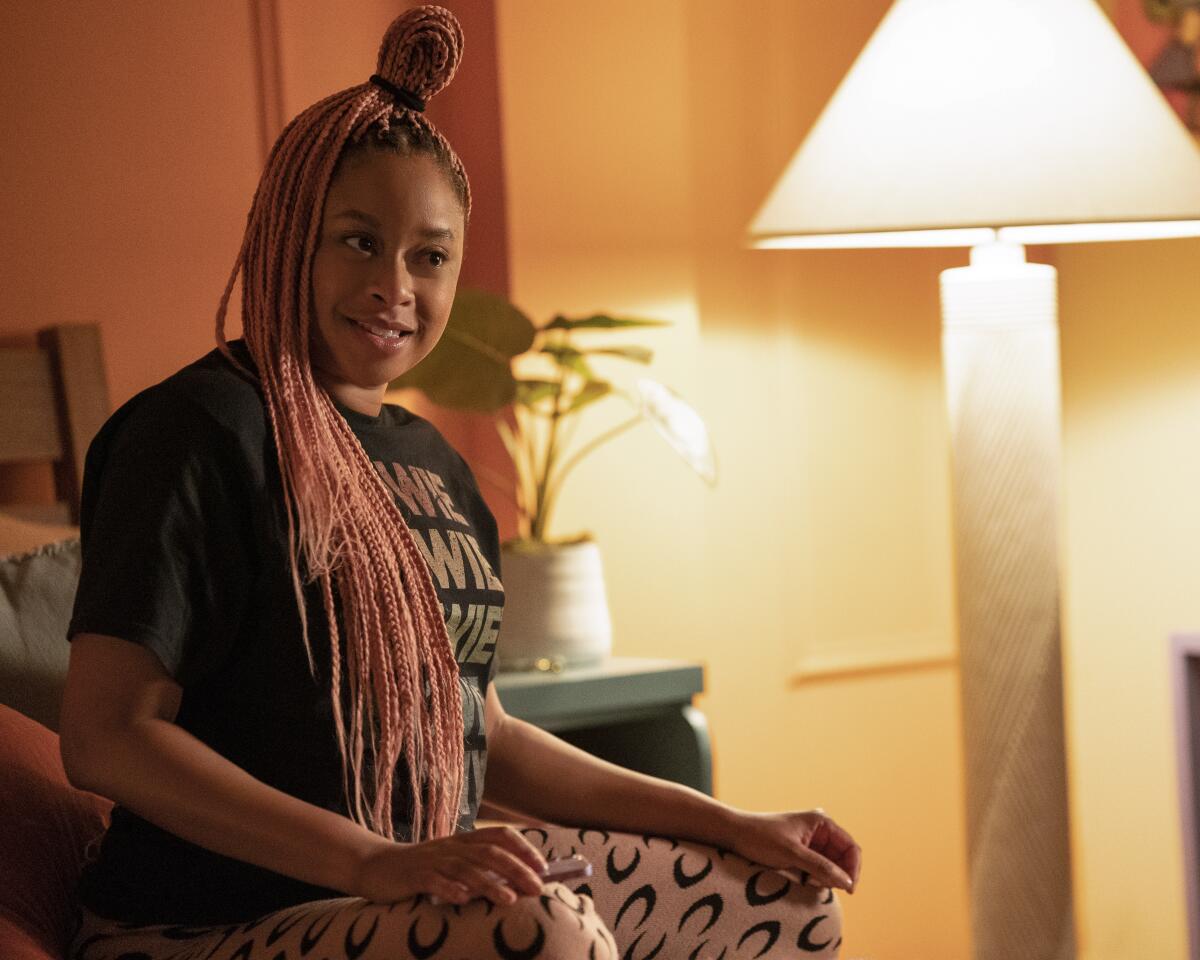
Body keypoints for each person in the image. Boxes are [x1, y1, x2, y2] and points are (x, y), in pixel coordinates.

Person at [59, 7, 861, 959]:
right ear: (284, 236)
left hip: (399, 894)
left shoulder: (431, 464)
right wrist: (368, 861)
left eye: (429, 255)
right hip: (204, 923)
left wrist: (725, 822)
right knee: (542, 932)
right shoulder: (194, 434)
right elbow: (107, 736)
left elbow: (485, 733)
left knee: (780, 901)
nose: (395, 284)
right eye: (357, 240)